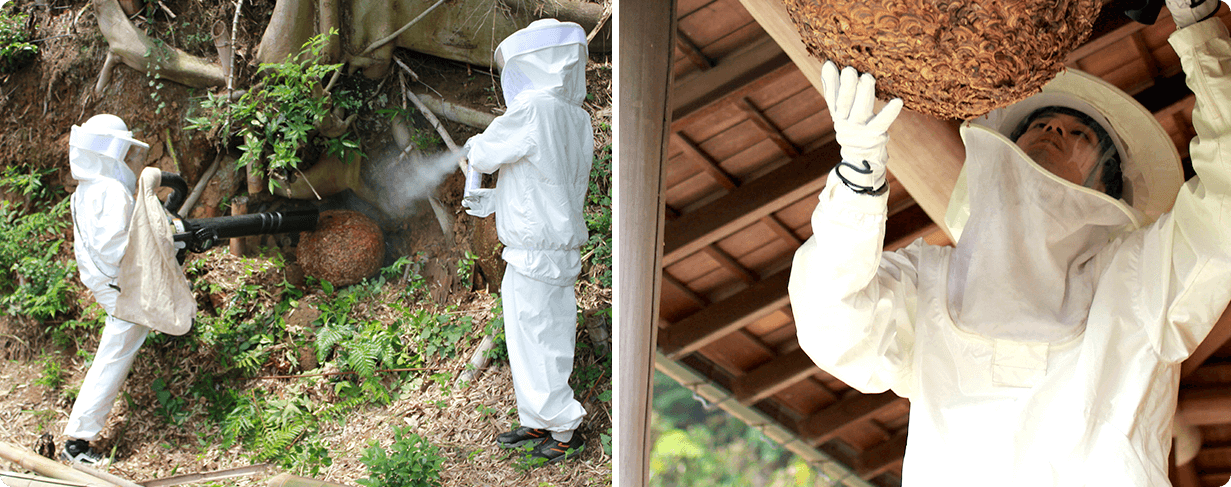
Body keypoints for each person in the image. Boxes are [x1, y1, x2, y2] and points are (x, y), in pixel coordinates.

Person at [789, 0, 1231, 484]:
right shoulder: (927, 285)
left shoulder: (1139, 284)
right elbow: (833, 325)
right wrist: (856, 182)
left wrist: (1202, 32)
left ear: (1107, 188)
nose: (1054, 129)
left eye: (1080, 132)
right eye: (1038, 124)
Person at [459, 18, 592, 464]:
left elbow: (485, 151)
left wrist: (474, 150)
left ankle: (565, 429)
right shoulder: (576, 117)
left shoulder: (534, 108)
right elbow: (542, 179)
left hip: (539, 249)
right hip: (549, 246)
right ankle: (538, 419)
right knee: (533, 337)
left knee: (540, 339)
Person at [63, 114, 152, 465]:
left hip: (104, 283)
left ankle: (79, 436)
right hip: (118, 283)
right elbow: (117, 247)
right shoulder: (111, 190)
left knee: (120, 343)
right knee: (115, 351)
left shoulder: (85, 190)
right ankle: (78, 440)